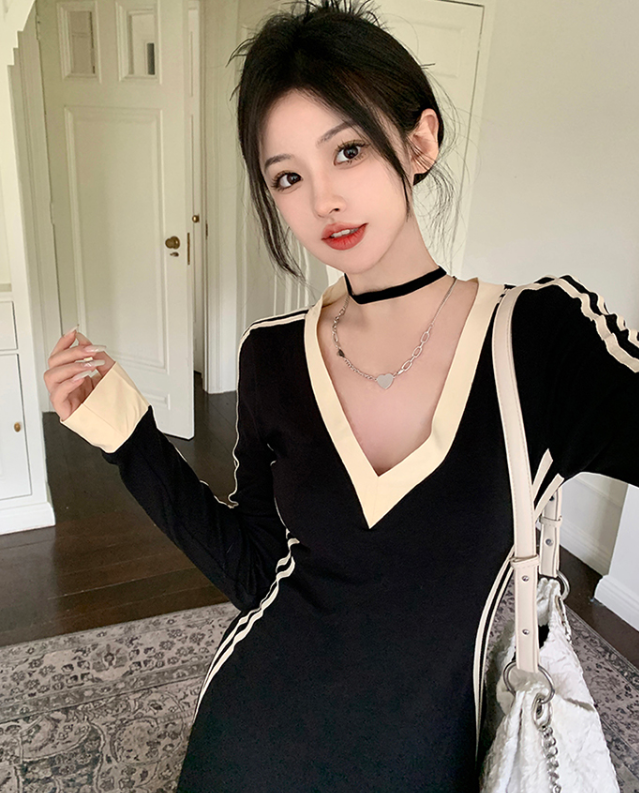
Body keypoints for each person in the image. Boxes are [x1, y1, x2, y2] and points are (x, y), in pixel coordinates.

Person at [43, 1, 639, 790]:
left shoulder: (536, 336)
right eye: (288, 176)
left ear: (419, 141)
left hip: (425, 753)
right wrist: (129, 438)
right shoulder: (272, 355)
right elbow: (255, 570)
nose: (322, 199)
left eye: (348, 150)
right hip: (247, 739)